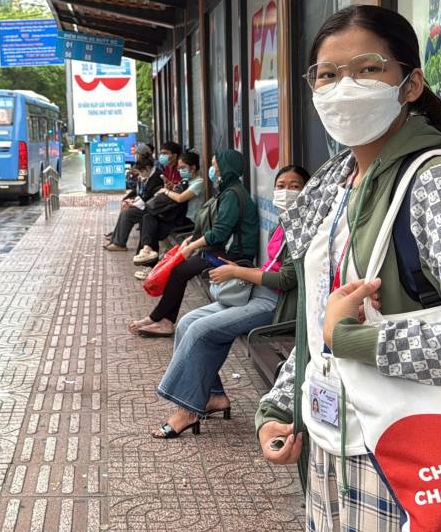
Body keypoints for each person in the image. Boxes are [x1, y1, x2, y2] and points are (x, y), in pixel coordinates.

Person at [256, 5, 441, 531]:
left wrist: (357, 340)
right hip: (332, 446)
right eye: (328, 75)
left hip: (411, 459)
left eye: (367, 69)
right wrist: (279, 404)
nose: (344, 88)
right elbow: (322, 325)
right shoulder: (335, 186)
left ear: (409, 84)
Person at [150, 165, 311, 439]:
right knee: (187, 322)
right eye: (281, 185)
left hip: (276, 304)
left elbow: (286, 280)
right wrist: (236, 270)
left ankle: (187, 409)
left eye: (295, 186)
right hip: (255, 294)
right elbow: (271, 267)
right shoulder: (284, 221)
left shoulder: (304, 224)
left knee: (202, 331)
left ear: (308, 190)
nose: (286, 192)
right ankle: (213, 396)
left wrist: (236, 271)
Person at [129, 149, 259, 337]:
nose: (212, 169)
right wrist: (192, 239)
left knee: (180, 271)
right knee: (179, 269)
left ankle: (161, 320)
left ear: (225, 168)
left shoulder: (232, 194)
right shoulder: (227, 190)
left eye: (215, 165)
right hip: (222, 250)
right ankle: (162, 319)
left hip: (234, 255)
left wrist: (191, 246)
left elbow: (219, 233)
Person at [130, 151, 204, 271]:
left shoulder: (199, 183)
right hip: (177, 217)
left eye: (183, 168)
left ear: (193, 167)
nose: (180, 171)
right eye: (179, 168)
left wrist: (166, 191)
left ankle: (149, 263)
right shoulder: (186, 181)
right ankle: (146, 250)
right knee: (147, 219)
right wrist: (170, 187)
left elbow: (180, 198)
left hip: (188, 221)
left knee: (150, 225)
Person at [104, 156, 163, 251]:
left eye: (141, 171)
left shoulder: (157, 177)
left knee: (128, 213)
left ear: (147, 168)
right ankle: (115, 239)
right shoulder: (148, 176)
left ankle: (120, 244)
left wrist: (133, 203)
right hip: (146, 204)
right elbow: (140, 193)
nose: (140, 174)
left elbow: (148, 197)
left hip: (152, 209)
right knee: (126, 210)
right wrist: (127, 199)